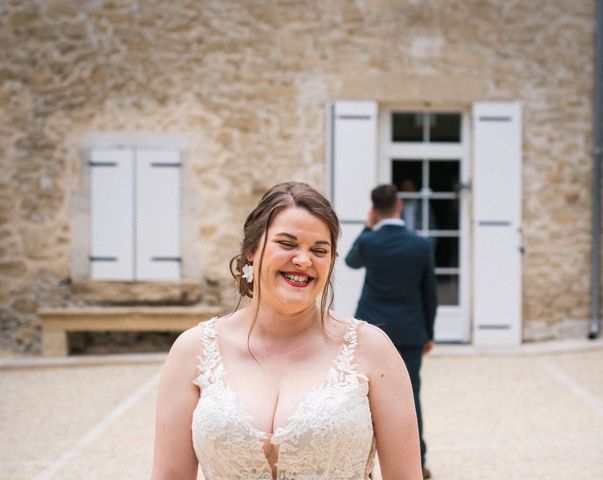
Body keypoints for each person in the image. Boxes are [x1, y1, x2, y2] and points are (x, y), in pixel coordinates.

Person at [151, 181, 423, 480]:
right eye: (287, 243)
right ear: (252, 250)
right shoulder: (194, 349)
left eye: (319, 250)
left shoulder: (371, 348)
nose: (304, 260)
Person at [345, 184, 438, 479]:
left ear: (373, 209)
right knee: (410, 396)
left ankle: (364, 464)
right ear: (399, 204)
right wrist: (428, 332)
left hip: (371, 328)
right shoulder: (421, 245)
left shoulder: (369, 242)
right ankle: (417, 464)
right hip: (410, 330)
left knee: (366, 397)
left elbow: (350, 261)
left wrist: (365, 227)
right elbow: (430, 294)